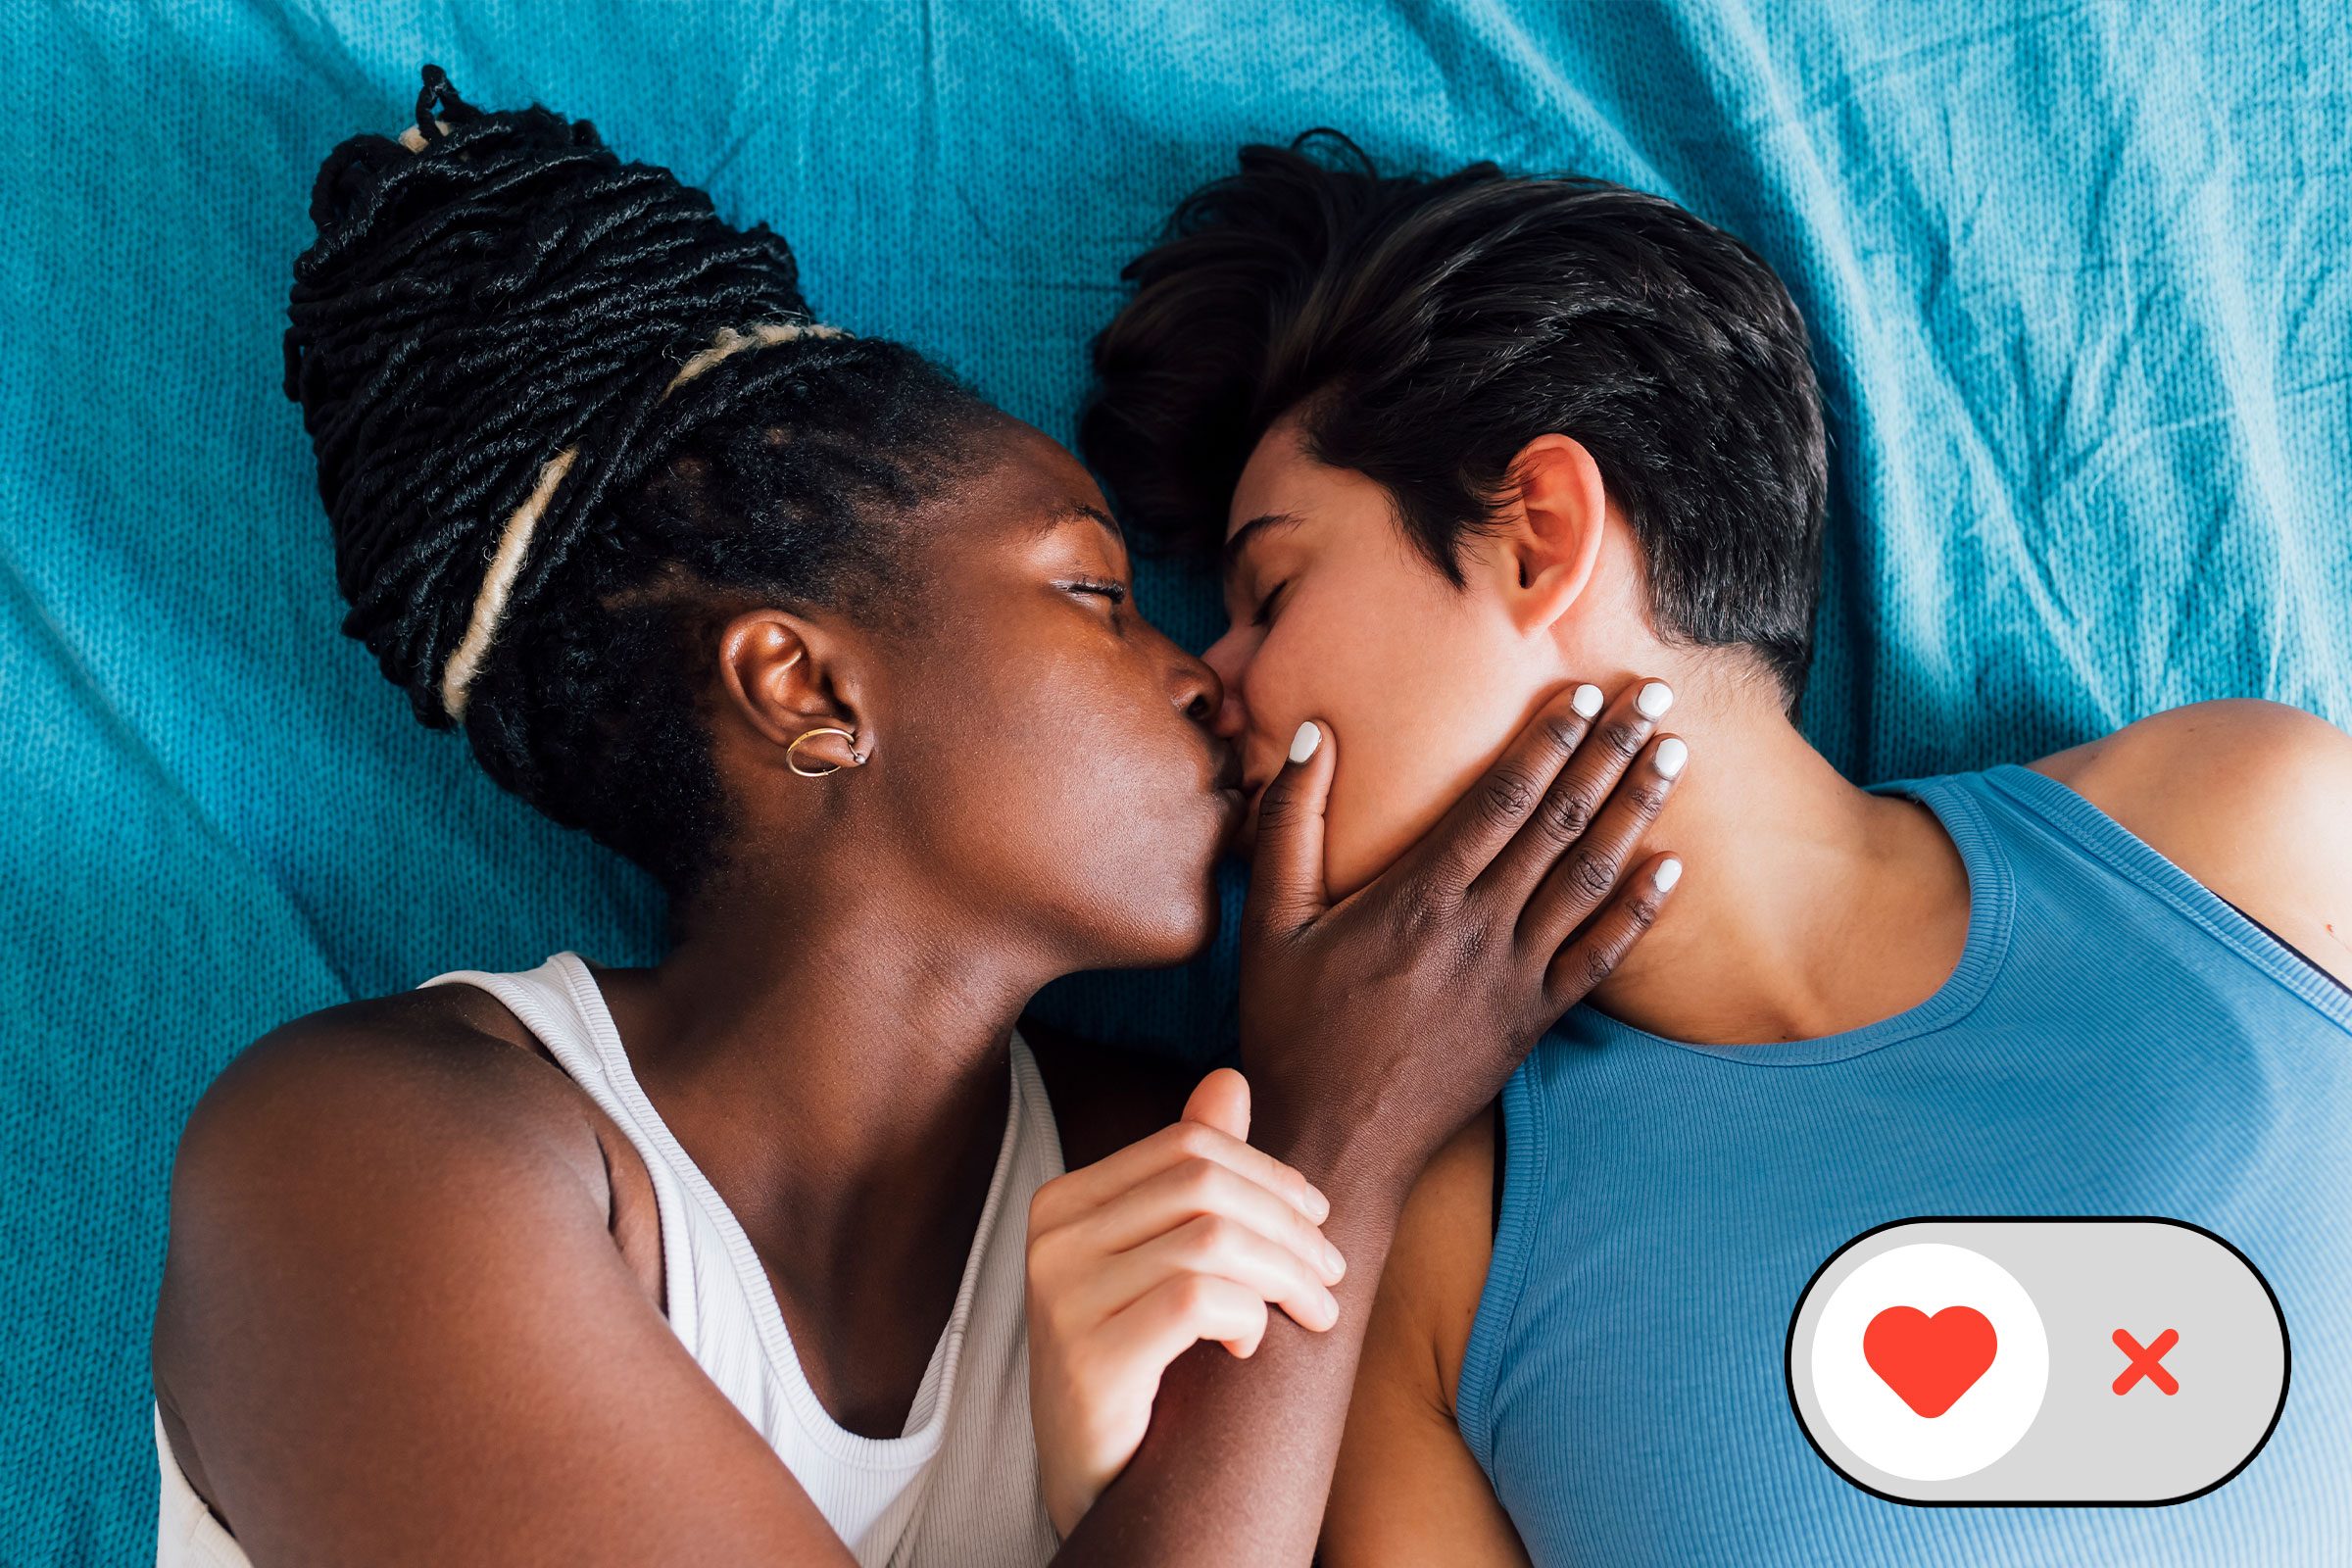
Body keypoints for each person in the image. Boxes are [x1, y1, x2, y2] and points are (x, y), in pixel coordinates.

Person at [149, 69, 1687, 1568]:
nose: (1211, 681)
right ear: (803, 685)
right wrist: (1338, 1140)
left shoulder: (1150, 1168)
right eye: (1093, 591)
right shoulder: (366, 1167)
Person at [1081, 134, 2352, 1566]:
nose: (1216, 683)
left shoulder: (2248, 836)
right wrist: (1324, 1139)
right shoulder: (1429, 1272)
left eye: (1269, 587)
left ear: (1534, 535)